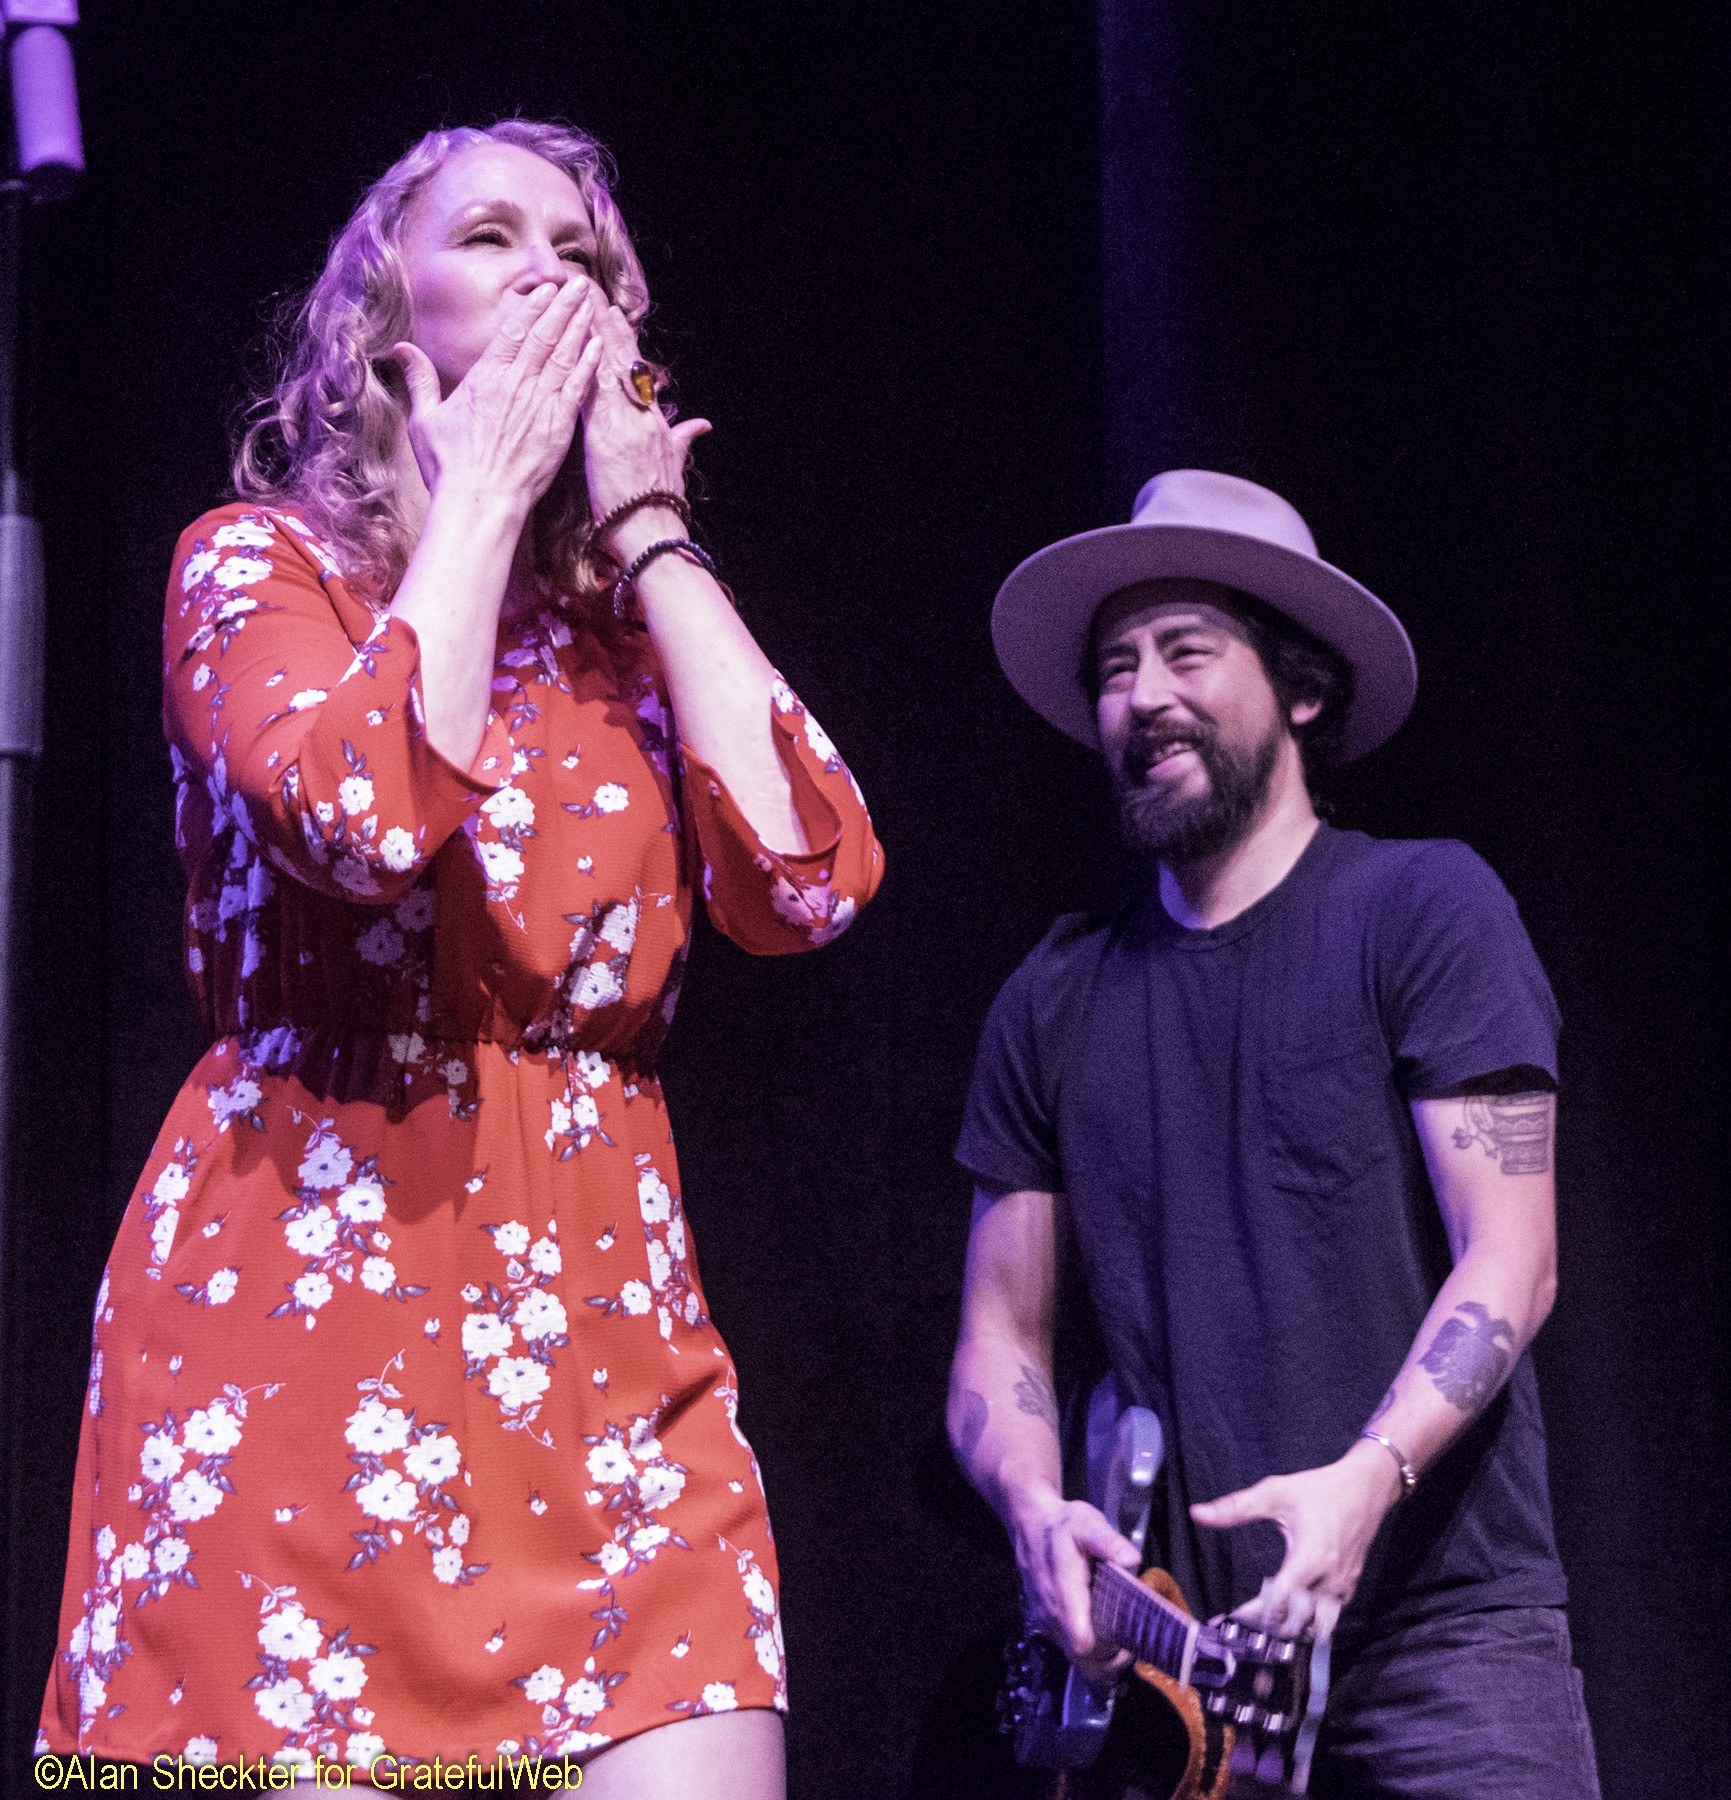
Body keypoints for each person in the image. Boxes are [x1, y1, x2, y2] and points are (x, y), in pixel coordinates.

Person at [37, 120, 881, 1796]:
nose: (549, 274)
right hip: (302, 1331)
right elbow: (353, 820)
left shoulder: (627, 638)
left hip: (605, 1344)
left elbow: (809, 877)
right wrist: (480, 490)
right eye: (493, 239)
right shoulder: (261, 566)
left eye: (580, 253)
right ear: (385, 319)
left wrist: (653, 539)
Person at [948, 470, 1600, 1796]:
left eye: (1189, 651)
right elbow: (999, 1336)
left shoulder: (1424, 908)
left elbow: (1512, 1261)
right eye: (1117, 668)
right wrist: (1033, 1512)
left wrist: (1359, 1493)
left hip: (1445, 1641)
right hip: (1198, 1669)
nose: (1146, 694)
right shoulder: (1054, 995)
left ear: (1301, 689)